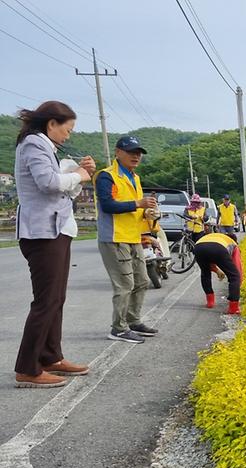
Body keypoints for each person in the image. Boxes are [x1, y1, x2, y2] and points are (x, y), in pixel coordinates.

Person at [13, 100, 95, 388]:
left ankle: (50, 356)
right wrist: (80, 175)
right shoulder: (35, 144)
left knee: (56, 299)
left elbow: (63, 191)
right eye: (68, 129)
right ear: (52, 124)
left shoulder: (45, 146)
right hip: (41, 233)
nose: (68, 135)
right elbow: (48, 182)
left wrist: (78, 175)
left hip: (56, 229)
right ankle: (28, 368)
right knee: (46, 301)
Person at [95, 136, 159, 344]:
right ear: (118, 152)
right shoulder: (107, 177)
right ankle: (118, 328)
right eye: (131, 151)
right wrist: (138, 203)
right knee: (124, 284)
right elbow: (108, 206)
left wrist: (146, 213)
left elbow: (136, 209)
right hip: (114, 238)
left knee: (141, 281)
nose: (136, 156)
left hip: (133, 237)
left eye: (138, 152)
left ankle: (133, 321)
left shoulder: (135, 178)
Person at [194, 232, 243, 315]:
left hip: (198, 247)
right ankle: (233, 308)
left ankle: (210, 302)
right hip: (218, 249)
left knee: (205, 273)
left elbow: (210, 258)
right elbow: (237, 268)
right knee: (234, 276)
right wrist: (238, 283)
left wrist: (217, 271)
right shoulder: (233, 244)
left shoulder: (216, 237)